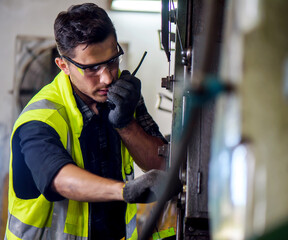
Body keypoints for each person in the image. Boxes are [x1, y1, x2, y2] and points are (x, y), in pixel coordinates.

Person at [6, 3, 179, 240]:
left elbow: (161, 167)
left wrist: (126, 124)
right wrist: (125, 191)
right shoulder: (40, 117)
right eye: (92, 69)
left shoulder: (123, 98)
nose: (107, 77)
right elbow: (58, 179)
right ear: (63, 65)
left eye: (112, 61)